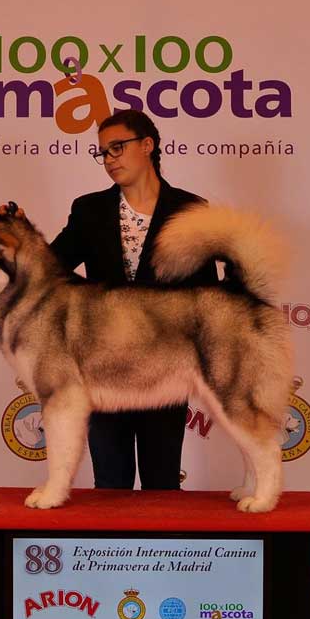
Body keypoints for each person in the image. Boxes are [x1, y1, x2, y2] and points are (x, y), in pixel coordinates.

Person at [47, 108, 219, 490]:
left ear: (147, 145)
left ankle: (165, 553)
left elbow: (205, 297)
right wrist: (16, 232)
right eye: (103, 152)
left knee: (162, 486)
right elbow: (49, 267)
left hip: (166, 369)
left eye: (117, 148)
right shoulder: (88, 209)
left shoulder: (191, 210)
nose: (109, 160)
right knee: (110, 486)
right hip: (102, 369)